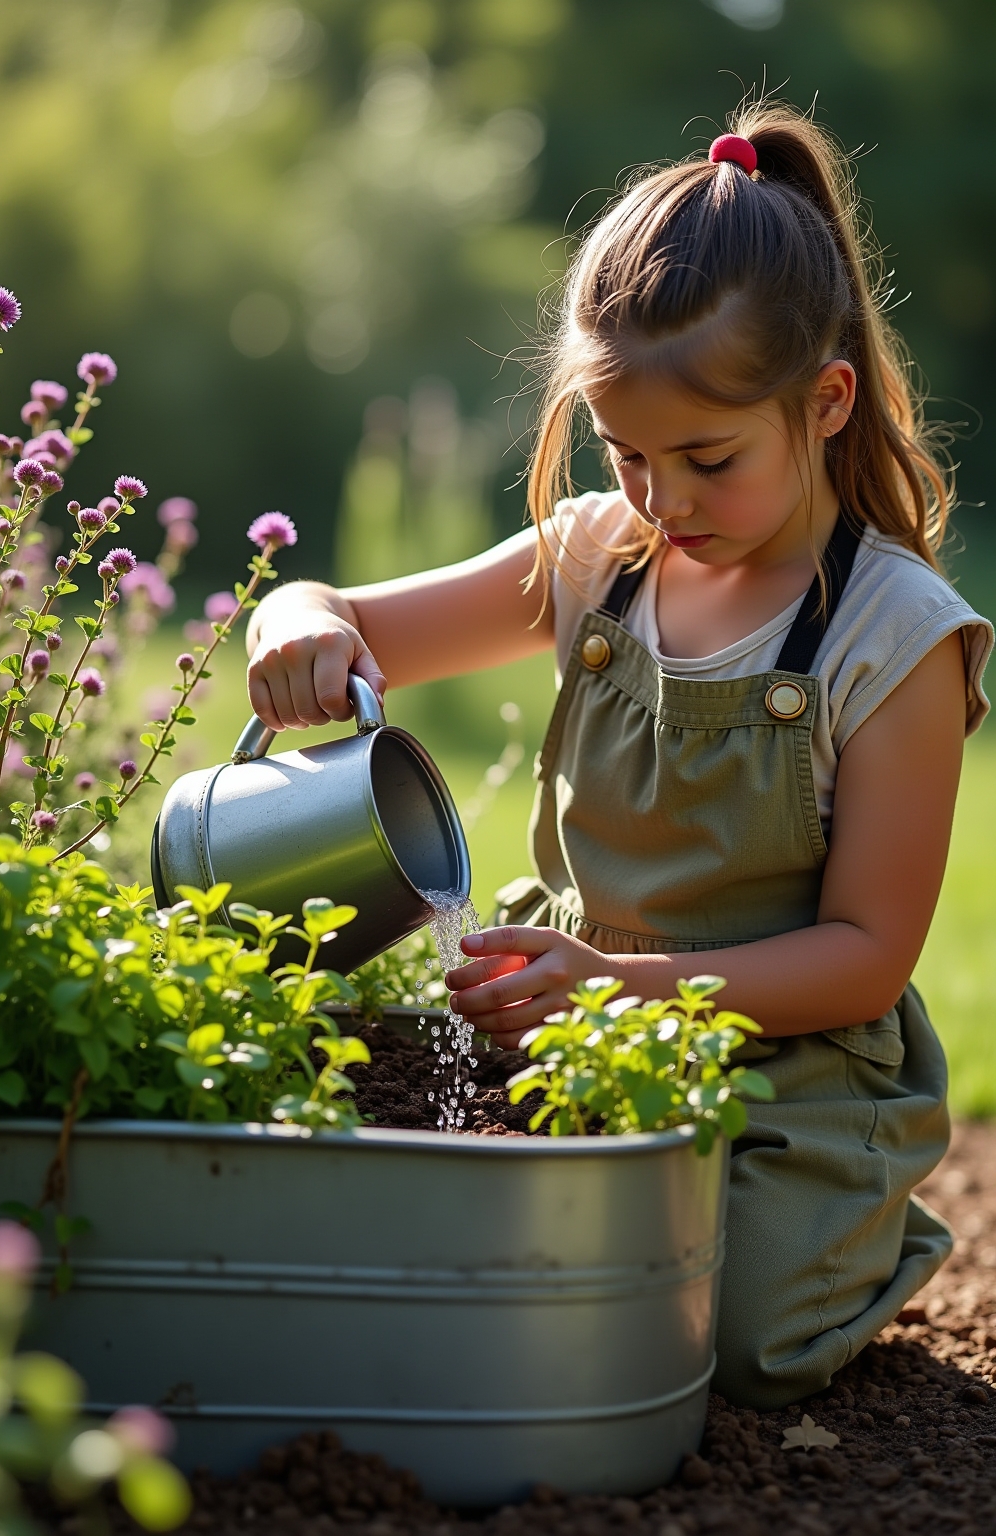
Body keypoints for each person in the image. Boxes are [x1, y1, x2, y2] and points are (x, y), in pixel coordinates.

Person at [245, 102, 993, 1408]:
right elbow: (351, 616)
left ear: (825, 403)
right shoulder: (597, 558)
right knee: (383, 1182)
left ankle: (863, 1241)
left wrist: (623, 987)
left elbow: (867, 956)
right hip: (559, 1003)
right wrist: (296, 620)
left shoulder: (894, 637)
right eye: (625, 455)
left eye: (708, 458)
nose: (664, 501)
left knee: (726, 1335)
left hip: (781, 1069)